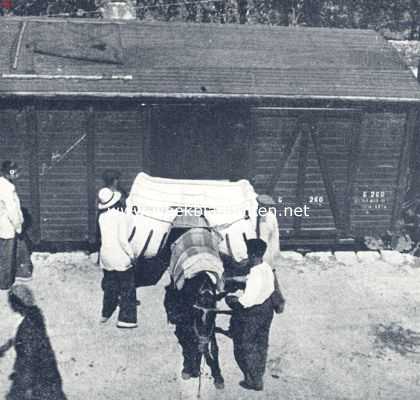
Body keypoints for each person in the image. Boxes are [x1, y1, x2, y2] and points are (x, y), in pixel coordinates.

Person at [0, 285, 67, 400]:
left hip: (35, 375)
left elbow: (29, 359)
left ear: (16, 305)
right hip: (46, 367)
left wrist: (27, 387)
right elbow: (19, 337)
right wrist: (6, 346)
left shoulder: (27, 329)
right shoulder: (34, 315)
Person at [226, 238, 275, 391]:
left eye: (248, 254)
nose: (247, 257)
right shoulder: (265, 267)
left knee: (247, 345)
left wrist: (231, 300)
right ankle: (258, 373)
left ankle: (254, 381)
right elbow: (252, 280)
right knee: (261, 343)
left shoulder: (255, 274)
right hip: (267, 308)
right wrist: (235, 279)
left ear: (253, 255)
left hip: (254, 313)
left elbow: (246, 301)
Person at [97, 187, 137, 328]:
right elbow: (122, 240)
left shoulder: (101, 217)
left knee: (110, 285)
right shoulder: (121, 217)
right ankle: (126, 319)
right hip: (120, 256)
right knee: (128, 287)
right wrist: (132, 256)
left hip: (106, 256)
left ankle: (106, 313)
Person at [0, 161, 24, 290]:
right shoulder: (8, 188)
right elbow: (12, 209)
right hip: (7, 225)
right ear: (11, 173)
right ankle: (4, 283)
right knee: (7, 256)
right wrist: (17, 225)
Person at [256, 194, 280, 267]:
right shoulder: (271, 215)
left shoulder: (265, 218)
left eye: (259, 205)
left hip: (267, 251)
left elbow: (264, 237)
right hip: (271, 248)